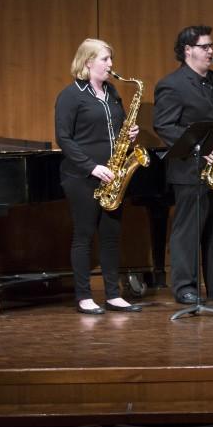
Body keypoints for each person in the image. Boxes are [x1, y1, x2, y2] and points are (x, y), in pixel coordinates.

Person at [153, 25, 213, 305]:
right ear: (188, 50)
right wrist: (200, 148)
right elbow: (164, 125)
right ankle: (185, 286)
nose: (211, 51)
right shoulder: (171, 84)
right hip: (190, 169)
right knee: (188, 231)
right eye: (205, 47)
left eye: (211, 46)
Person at [54, 39, 142, 314]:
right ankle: (83, 296)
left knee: (111, 236)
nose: (111, 65)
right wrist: (91, 167)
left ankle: (113, 294)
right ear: (88, 61)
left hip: (113, 174)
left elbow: (119, 127)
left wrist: (130, 135)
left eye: (110, 59)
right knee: (84, 235)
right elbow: (64, 138)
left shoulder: (112, 93)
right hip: (82, 176)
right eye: (105, 59)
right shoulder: (71, 95)